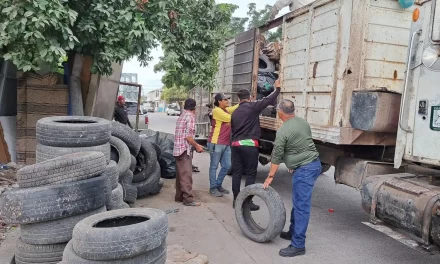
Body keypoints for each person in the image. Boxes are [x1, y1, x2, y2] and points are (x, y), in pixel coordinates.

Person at [262, 99, 321, 258]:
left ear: (280, 113)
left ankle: (298, 245)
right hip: (313, 165)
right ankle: (293, 231)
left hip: (305, 169)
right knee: (298, 202)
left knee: (301, 206)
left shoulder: (283, 131)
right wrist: (292, 161)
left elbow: (276, 155)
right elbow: (299, 144)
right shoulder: (302, 122)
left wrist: (270, 177)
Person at [231, 80, 281, 210]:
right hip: (249, 145)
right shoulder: (252, 107)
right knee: (251, 174)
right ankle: (247, 202)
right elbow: (268, 100)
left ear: (239, 99)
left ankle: (236, 200)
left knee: (237, 173)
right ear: (249, 98)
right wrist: (278, 89)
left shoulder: (235, 112)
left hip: (235, 145)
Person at [173, 98, 204, 207]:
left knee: (180, 175)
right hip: (183, 150)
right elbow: (188, 137)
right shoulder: (190, 116)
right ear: (194, 108)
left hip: (178, 149)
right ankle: (188, 199)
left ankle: (179, 196)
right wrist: (197, 146)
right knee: (186, 175)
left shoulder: (182, 115)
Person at [207, 93, 239, 197]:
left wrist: (243, 103)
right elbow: (233, 118)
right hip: (216, 142)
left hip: (225, 143)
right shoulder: (217, 111)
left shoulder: (225, 110)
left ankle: (218, 184)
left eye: (227, 99)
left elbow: (234, 108)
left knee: (227, 166)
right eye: (225, 100)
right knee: (214, 167)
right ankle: (213, 188)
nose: (227, 101)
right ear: (219, 101)